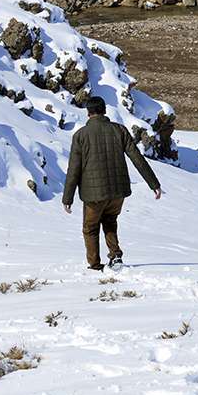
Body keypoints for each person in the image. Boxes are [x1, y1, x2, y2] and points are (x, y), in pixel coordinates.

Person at [62, 95, 162, 270]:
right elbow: (137, 158)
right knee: (110, 221)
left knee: (90, 228)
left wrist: (67, 198)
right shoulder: (119, 130)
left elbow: (74, 170)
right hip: (118, 191)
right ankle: (115, 255)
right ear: (104, 111)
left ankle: (95, 265)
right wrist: (154, 184)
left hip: (93, 195)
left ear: (88, 113)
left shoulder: (80, 135)